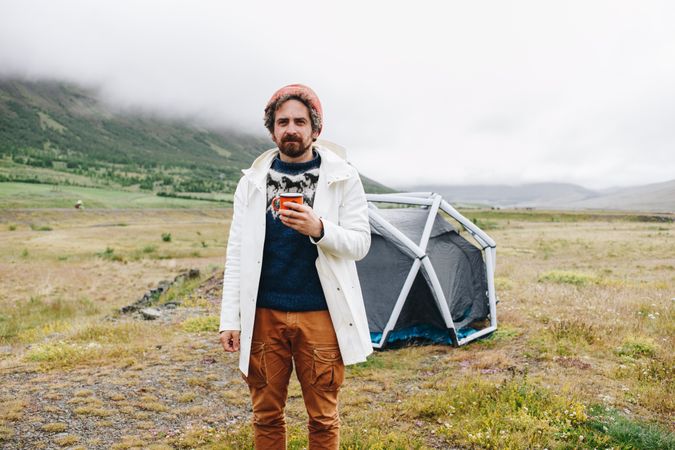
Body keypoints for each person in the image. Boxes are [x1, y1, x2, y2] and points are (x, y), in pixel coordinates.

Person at [219, 84, 373, 449]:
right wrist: (231, 318)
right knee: (266, 416)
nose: (291, 128)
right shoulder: (251, 182)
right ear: (272, 130)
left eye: (300, 122)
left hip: (321, 315)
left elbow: (361, 243)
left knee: (322, 418)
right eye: (282, 121)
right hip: (264, 314)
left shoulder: (343, 178)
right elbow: (237, 252)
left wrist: (319, 229)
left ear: (315, 130)